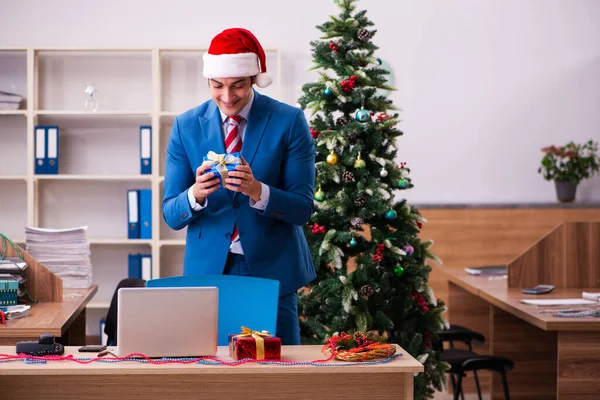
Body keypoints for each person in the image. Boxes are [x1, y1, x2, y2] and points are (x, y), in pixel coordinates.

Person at [162, 28, 316, 345]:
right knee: (211, 376)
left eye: (238, 86)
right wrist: (196, 194)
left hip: (273, 269)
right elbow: (171, 214)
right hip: (208, 272)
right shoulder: (185, 126)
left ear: (254, 80)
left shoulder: (289, 121)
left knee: (280, 375)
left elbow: (302, 208)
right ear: (208, 81)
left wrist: (259, 191)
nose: (227, 97)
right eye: (217, 86)